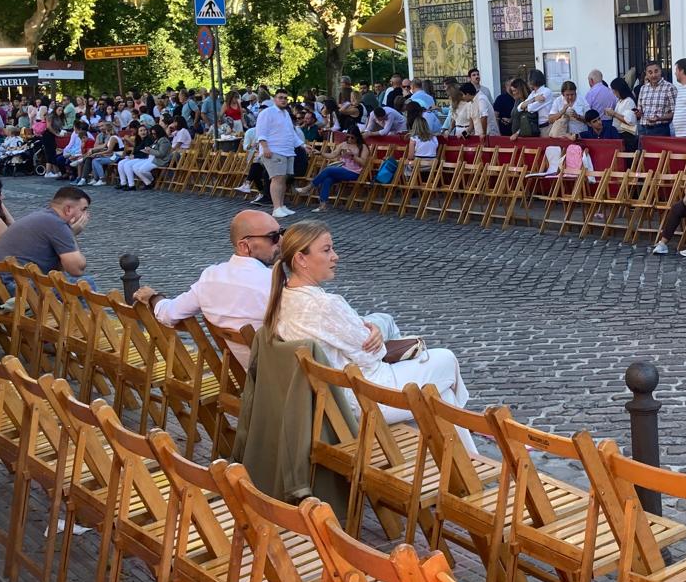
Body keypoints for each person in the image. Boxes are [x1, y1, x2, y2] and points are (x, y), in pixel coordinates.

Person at [268, 219, 472, 426]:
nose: (335, 256)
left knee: (442, 394)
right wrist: (372, 332)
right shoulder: (324, 304)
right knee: (446, 359)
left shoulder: (283, 297)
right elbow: (373, 354)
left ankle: (464, 452)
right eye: (327, 250)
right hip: (367, 397)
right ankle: (467, 424)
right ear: (301, 259)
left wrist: (368, 327)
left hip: (335, 395)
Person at [133, 210, 281, 366]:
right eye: (274, 237)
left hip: (242, 373)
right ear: (244, 246)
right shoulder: (273, 283)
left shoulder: (211, 277)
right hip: (278, 379)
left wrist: (153, 297)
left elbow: (169, 313)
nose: (282, 241)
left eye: (282, 233)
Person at [0, 185, 90, 279]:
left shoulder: (43, 216)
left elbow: (61, 268)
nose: (87, 215)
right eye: (83, 209)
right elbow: (76, 270)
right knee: (86, 283)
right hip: (11, 284)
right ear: (68, 209)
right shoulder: (57, 224)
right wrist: (71, 234)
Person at [255, 90, 301, 217]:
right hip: (274, 150)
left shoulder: (286, 114)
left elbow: (291, 133)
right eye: (280, 97)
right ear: (274, 99)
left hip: (287, 150)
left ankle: (281, 205)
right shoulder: (267, 113)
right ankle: (276, 208)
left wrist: (302, 145)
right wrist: (265, 148)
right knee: (277, 178)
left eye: (286, 98)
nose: (283, 100)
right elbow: (261, 131)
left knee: (284, 179)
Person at [297, 126, 366, 210]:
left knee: (328, 170)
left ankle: (309, 187)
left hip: (354, 172)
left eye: (352, 137)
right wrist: (321, 153)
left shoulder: (362, 146)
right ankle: (323, 205)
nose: (350, 139)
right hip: (343, 168)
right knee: (328, 179)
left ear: (357, 137)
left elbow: (363, 163)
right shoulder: (343, 144)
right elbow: (332, 155)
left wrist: (353, 156)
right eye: (348, 137)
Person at [634, 60, 676, 139]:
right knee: (643, 152)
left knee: (660, 152)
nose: (653, 75)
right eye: (650, 72)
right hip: (643, 129)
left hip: (660, 130)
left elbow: (675, 113)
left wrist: (659, 118)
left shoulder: (669, 88)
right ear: (646, 74)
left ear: (661, 71)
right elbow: (640, 110)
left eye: (656, 71)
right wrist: (638, 113)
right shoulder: (643, 88)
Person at [513, 70, 553, 137]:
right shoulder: (533, 93)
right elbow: (519, 107)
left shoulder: (546, 91)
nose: (527, 82)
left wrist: (526, 106)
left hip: (546, 127)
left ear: (533, 80)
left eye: (529, 80)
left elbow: (531, 108)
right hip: (535, 128)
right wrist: (534, 99)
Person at [608, 77, 639, 150]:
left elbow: (628, 120)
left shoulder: (629, 101)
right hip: (619, 133)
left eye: (615, 91)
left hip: (627, 134)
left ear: (620, 90)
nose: (614, 94)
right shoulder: (620, 100)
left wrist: (614, 114)